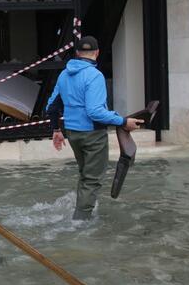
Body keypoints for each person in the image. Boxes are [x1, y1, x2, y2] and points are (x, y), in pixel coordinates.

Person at [45, 35, 143, 220]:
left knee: (85, 174)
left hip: (73, 134)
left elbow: (51, 106)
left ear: (77, 53)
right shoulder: (95, 76)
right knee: (92, 179)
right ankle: (80, 222)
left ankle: (82, 209)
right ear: (96, 53)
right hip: (92, 135)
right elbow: (95, 112)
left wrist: (56, 130)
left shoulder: (64, 74)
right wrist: (123, 121)